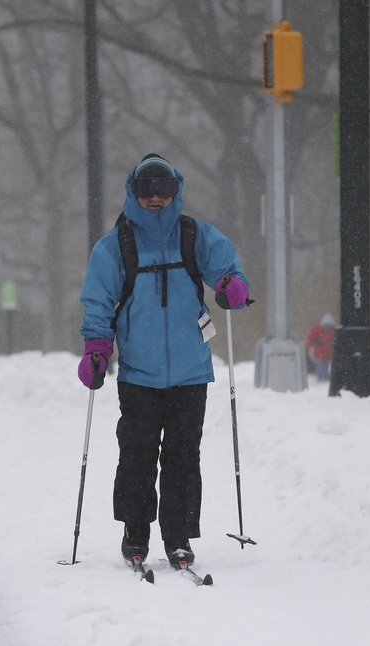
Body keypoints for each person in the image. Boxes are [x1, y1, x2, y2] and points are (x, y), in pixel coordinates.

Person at [78, 152, 251, 569]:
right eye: (146, 189)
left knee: (182, 456)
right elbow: (98, 301)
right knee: (136, 455)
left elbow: (229, 272)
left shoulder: (195, 236)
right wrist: (97, 349)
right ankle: (134, 534)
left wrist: (233, 287)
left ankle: (178, 537)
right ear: (133, 192)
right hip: (138, 372)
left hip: (190, 371)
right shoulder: (115, 246)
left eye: (164, 188)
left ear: (177, 190)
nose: (155, 197)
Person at [305, 313, 336, 382]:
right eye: (326, 325)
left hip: (330, 354)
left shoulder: (334, 330)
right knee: (320, 368)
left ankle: (326, 382)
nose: (327, 328)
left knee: (327, 369)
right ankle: (321, 382)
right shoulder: (316, 329)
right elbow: (310, 339)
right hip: (319, 354)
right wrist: (308, 347)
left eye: (329, 326)